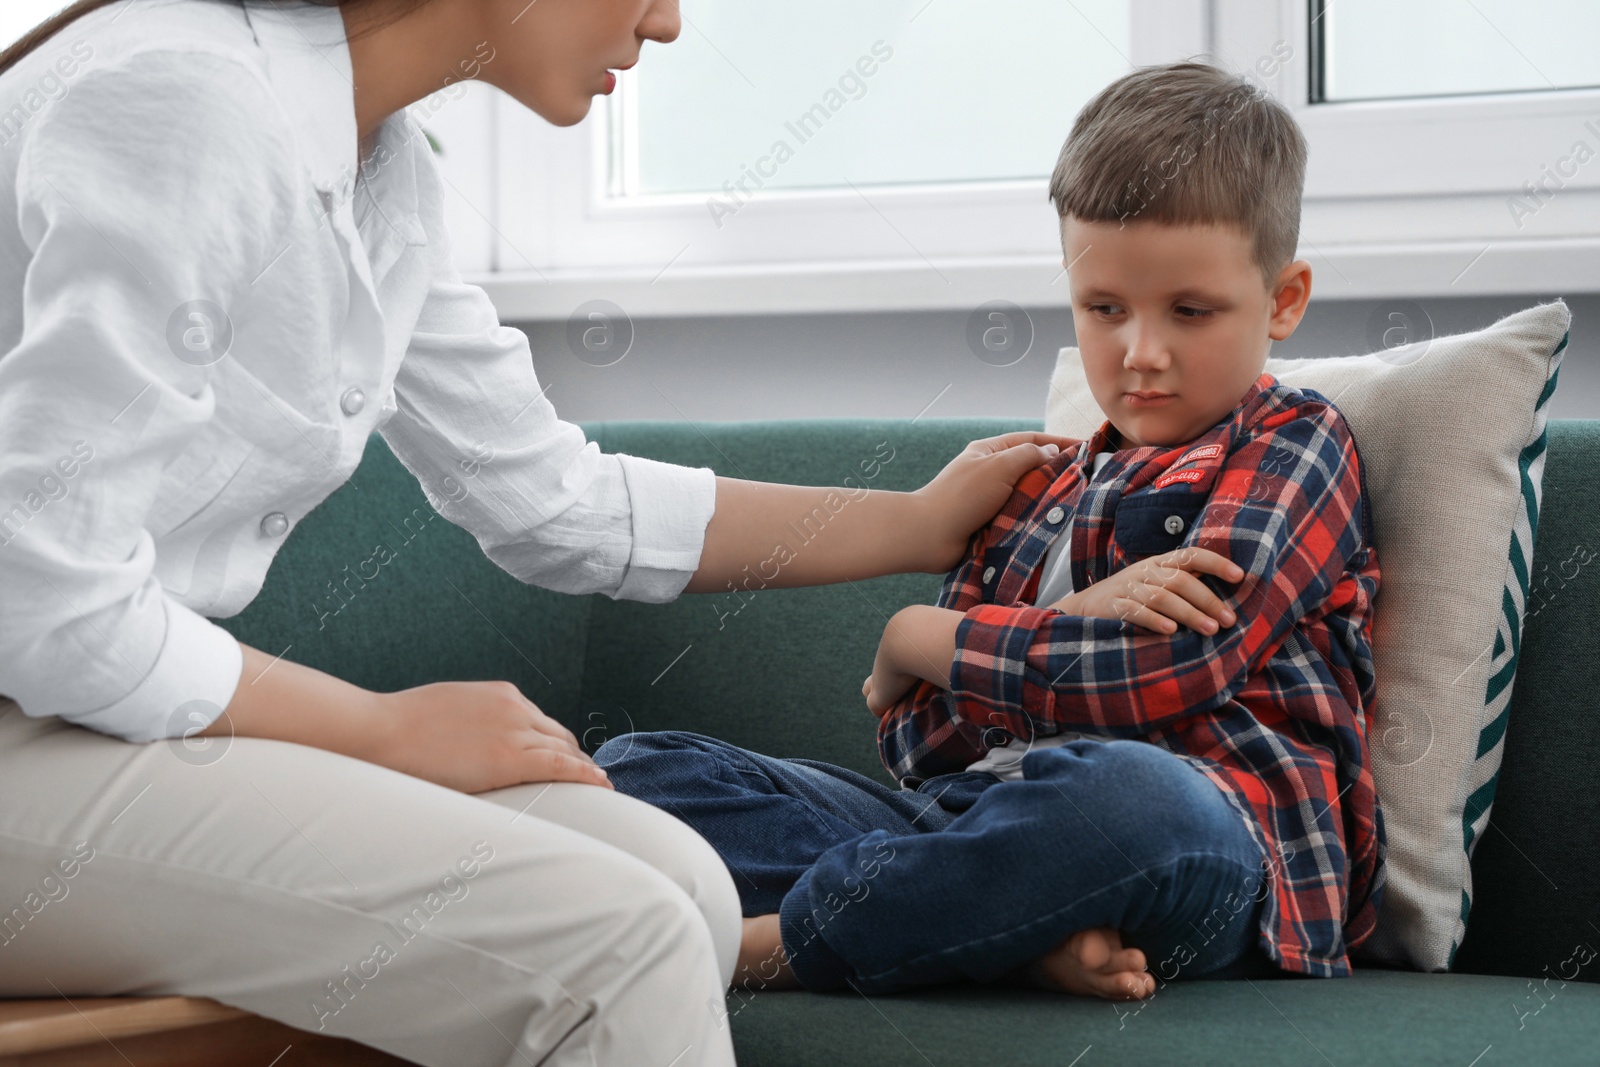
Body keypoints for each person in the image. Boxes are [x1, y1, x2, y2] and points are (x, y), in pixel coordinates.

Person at [0, 1, 1074, 1064]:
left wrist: (912, 522)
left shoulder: (381, 172)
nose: (667, 24)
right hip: (35, 723)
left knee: (685, 889)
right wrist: (378, 727)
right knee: (626, 939)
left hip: (97, 722)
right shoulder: (192, 102)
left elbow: (554, 498)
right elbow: (45, 593)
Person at [598, 61, 1386, 1008]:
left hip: (1210, 833)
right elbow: (921, 747)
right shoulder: (1034, 483)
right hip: (970, 821)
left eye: (1189, 310)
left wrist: (922, 638)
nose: (1140, 351)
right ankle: (996, 930)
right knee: (635, 772)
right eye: (1104, 308)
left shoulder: (1295, 443)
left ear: (1283, 301)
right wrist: (1075, 623)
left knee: (1125, 798)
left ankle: (777, 946)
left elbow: (1175, 672)